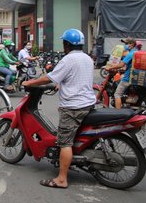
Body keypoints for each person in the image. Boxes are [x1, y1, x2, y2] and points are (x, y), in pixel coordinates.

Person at [22, 29, 95, 189]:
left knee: (64, 142)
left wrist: (30, 83)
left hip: (73, 107)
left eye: (64, 43)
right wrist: (60, 84)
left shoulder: (68, 60)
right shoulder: (87, 58)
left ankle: (62, 179)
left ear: (67, 44)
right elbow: (75, 77)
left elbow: (48, 77)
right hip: (88, 104)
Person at [107, 37, 137, 109]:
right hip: (133, 77)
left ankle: (118, 113)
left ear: (132, 44)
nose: (125, 45)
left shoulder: (130, 54)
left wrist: (110, 67)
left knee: (117, 94)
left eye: (126, 43)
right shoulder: (136, 52)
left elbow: (121, 65)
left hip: (128, 78)